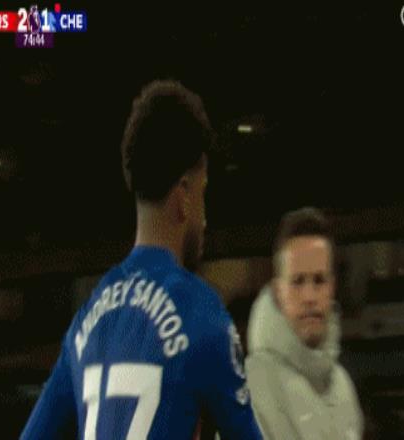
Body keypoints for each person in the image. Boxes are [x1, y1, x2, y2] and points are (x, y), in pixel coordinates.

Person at [21, 80, 263, 440]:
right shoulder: (203, 314)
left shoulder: (85, 322)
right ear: (184, 196)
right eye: (203, 194)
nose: (204, 219)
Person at [246, 207, 363, 440]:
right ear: (278, 291)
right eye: (298, 281)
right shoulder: (251, 388)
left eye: (319, 280)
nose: (310, 296)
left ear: (332, 287)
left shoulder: (343, 388)